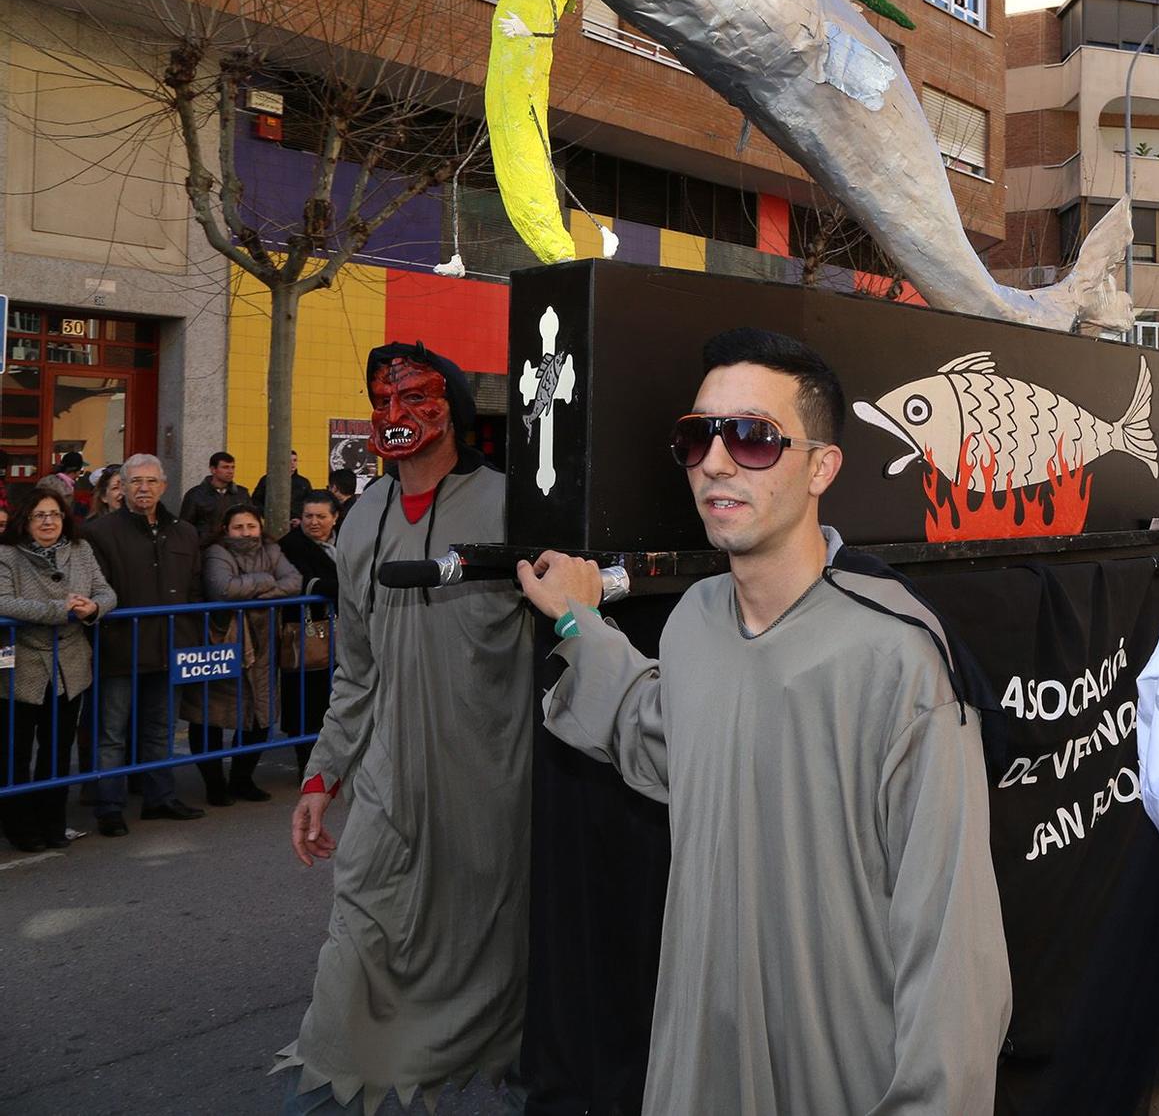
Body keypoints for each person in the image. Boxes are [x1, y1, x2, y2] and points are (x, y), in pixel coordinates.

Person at [524, 327, 1010, 1115]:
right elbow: (663, 735)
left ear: (821, 466)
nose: (716, 460)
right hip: (699, 1066)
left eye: (753, 437)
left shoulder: (899, 659)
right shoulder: (693, 622)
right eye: (697, 436)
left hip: (836, 1077)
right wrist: (579, 622)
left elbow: (952, 949)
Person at [276, 343, 534, 1114]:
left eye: (415, 397)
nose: (395, 414)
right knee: (354, 944)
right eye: (381, 399)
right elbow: (355, 671)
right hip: (391, 786)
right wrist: (324, 776)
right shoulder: (361, 524)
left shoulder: (514, 505)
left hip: (495, 789)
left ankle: (530, 1074)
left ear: (451, 409)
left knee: (504, 961)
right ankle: (332, 1079)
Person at [82, 453, 206, 835]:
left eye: (151, 481)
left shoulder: (184, 531)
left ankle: (160, 798)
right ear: (122, 486)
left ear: (164, 486)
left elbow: (195, 587)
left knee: (161, 728)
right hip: (119, 648)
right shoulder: (100, 532)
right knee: (112, 733)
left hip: (170, 646)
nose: (144, 488)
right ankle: (110, 806)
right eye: (136, 481)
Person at [0, 487, 115, 851]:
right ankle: (19, 827)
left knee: (58, 749)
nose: (48, 521)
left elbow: (107, 591)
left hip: (70, 666)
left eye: (55, 514)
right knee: (16, 753)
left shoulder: (80, 550)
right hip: (22, 666)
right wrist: (59, 610)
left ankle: (53, 822)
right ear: (25, 520)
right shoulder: (6, 555)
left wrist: (93, 607)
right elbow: (3, 601)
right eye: (39, 515)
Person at [185, 504, 300, 808]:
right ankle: (214, 783)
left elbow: (294, 582)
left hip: (264, 644)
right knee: (209, 714)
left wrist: (253, 592)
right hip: (221, 640)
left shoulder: (271, 549)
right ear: (225, 528)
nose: (245, 532)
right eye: (239, 527)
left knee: (259, 714)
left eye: (251, 526)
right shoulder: (216, 552)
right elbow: (223, 589)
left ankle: (242, 779)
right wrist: (265, 581)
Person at [278, 491, 341, 771]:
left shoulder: (347, 542)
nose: (314, 522)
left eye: (321, 516)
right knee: (308, 702)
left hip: (344, 633)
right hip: (308, 635)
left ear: (335, 517)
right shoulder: (291, 545)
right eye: (308, 516)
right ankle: (309, 765)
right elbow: (303, 581)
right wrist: (347, 586)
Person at [180, 451, 250, 540]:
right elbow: (185, 525)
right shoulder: (195, 494)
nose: (230, 471)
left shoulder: (242, 494)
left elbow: (249, 519)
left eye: (232, 467)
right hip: (204, 546)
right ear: (213, 469)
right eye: (225, 467)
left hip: (235, 544)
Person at [253, 450, 314, 531]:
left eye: (295, 460)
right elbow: (256, 500)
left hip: (297, 526)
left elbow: (310, 504)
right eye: (289, 460)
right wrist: (266, 516)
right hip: (273, 525)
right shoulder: (268, 480)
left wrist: (302, 520)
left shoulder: (304, 483)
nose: (292, 463)